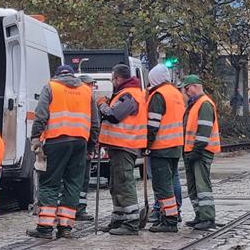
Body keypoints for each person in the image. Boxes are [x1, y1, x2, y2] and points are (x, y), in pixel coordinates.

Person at [27, 65, 100, 239]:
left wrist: (36, 137)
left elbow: (41, 115)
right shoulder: (86, 91)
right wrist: (90, 146)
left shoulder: (51, 87)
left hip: (56, 141)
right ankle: (65, 226)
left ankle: (45, 227)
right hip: (80, 143)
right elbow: (95, 123)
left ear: (57, 75)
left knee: (50, 182)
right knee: (73, 183)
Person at [97, 64, 147, 236]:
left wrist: (102, 104)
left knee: (124, 183)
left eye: (112, 79)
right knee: (116, 184)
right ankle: (119, 219)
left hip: (125, 145)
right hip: (119, 145)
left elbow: (115, 115)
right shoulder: (126, 93)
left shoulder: (130, 95)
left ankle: (131, 222)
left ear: (117, 78)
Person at [143, 64, 185, 233]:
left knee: (162, 185)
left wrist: (146, 144)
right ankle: (171, 215)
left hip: (161, 146)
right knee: (172, 180)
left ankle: (169, 220)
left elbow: (153, 124)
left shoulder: (158, 95)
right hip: (176, 145)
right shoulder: (176, 93)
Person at [181, 75, 221, 230]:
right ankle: (200, 215)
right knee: (194, 186)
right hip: (193, 151)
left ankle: (207, 217)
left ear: (196, 86)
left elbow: (204, 131)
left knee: (202, 185)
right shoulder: (195, 104)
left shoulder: (204, 104)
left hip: (200, 152)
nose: (186, 92)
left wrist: (195, 151)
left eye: (187, 88)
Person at [75, 74, 97, 222]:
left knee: (70, 179)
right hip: (83, 144)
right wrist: (91, 147)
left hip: (65, 142)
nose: (91, 88)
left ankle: (68, 209)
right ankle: (79, 210)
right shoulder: (89, 98)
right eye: (90, 85)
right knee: (82, 179)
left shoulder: (68, 96)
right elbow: (95, 125)